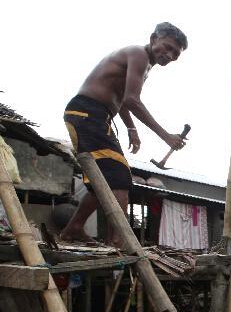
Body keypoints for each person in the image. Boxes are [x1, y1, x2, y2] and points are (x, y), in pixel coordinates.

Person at [60, 22, 189, 245]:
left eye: (175, 53)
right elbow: (131, 99)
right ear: (153, 39)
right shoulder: (138, 54)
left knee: (104, 179)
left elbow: (121, 99)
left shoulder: (144, 63)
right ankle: (118, 241)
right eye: (167, 47)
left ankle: (74, 228)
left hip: (96, 115)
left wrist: (131, 128)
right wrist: (166, 136)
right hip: (87, 113)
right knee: (119, 177)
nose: (169, 54)